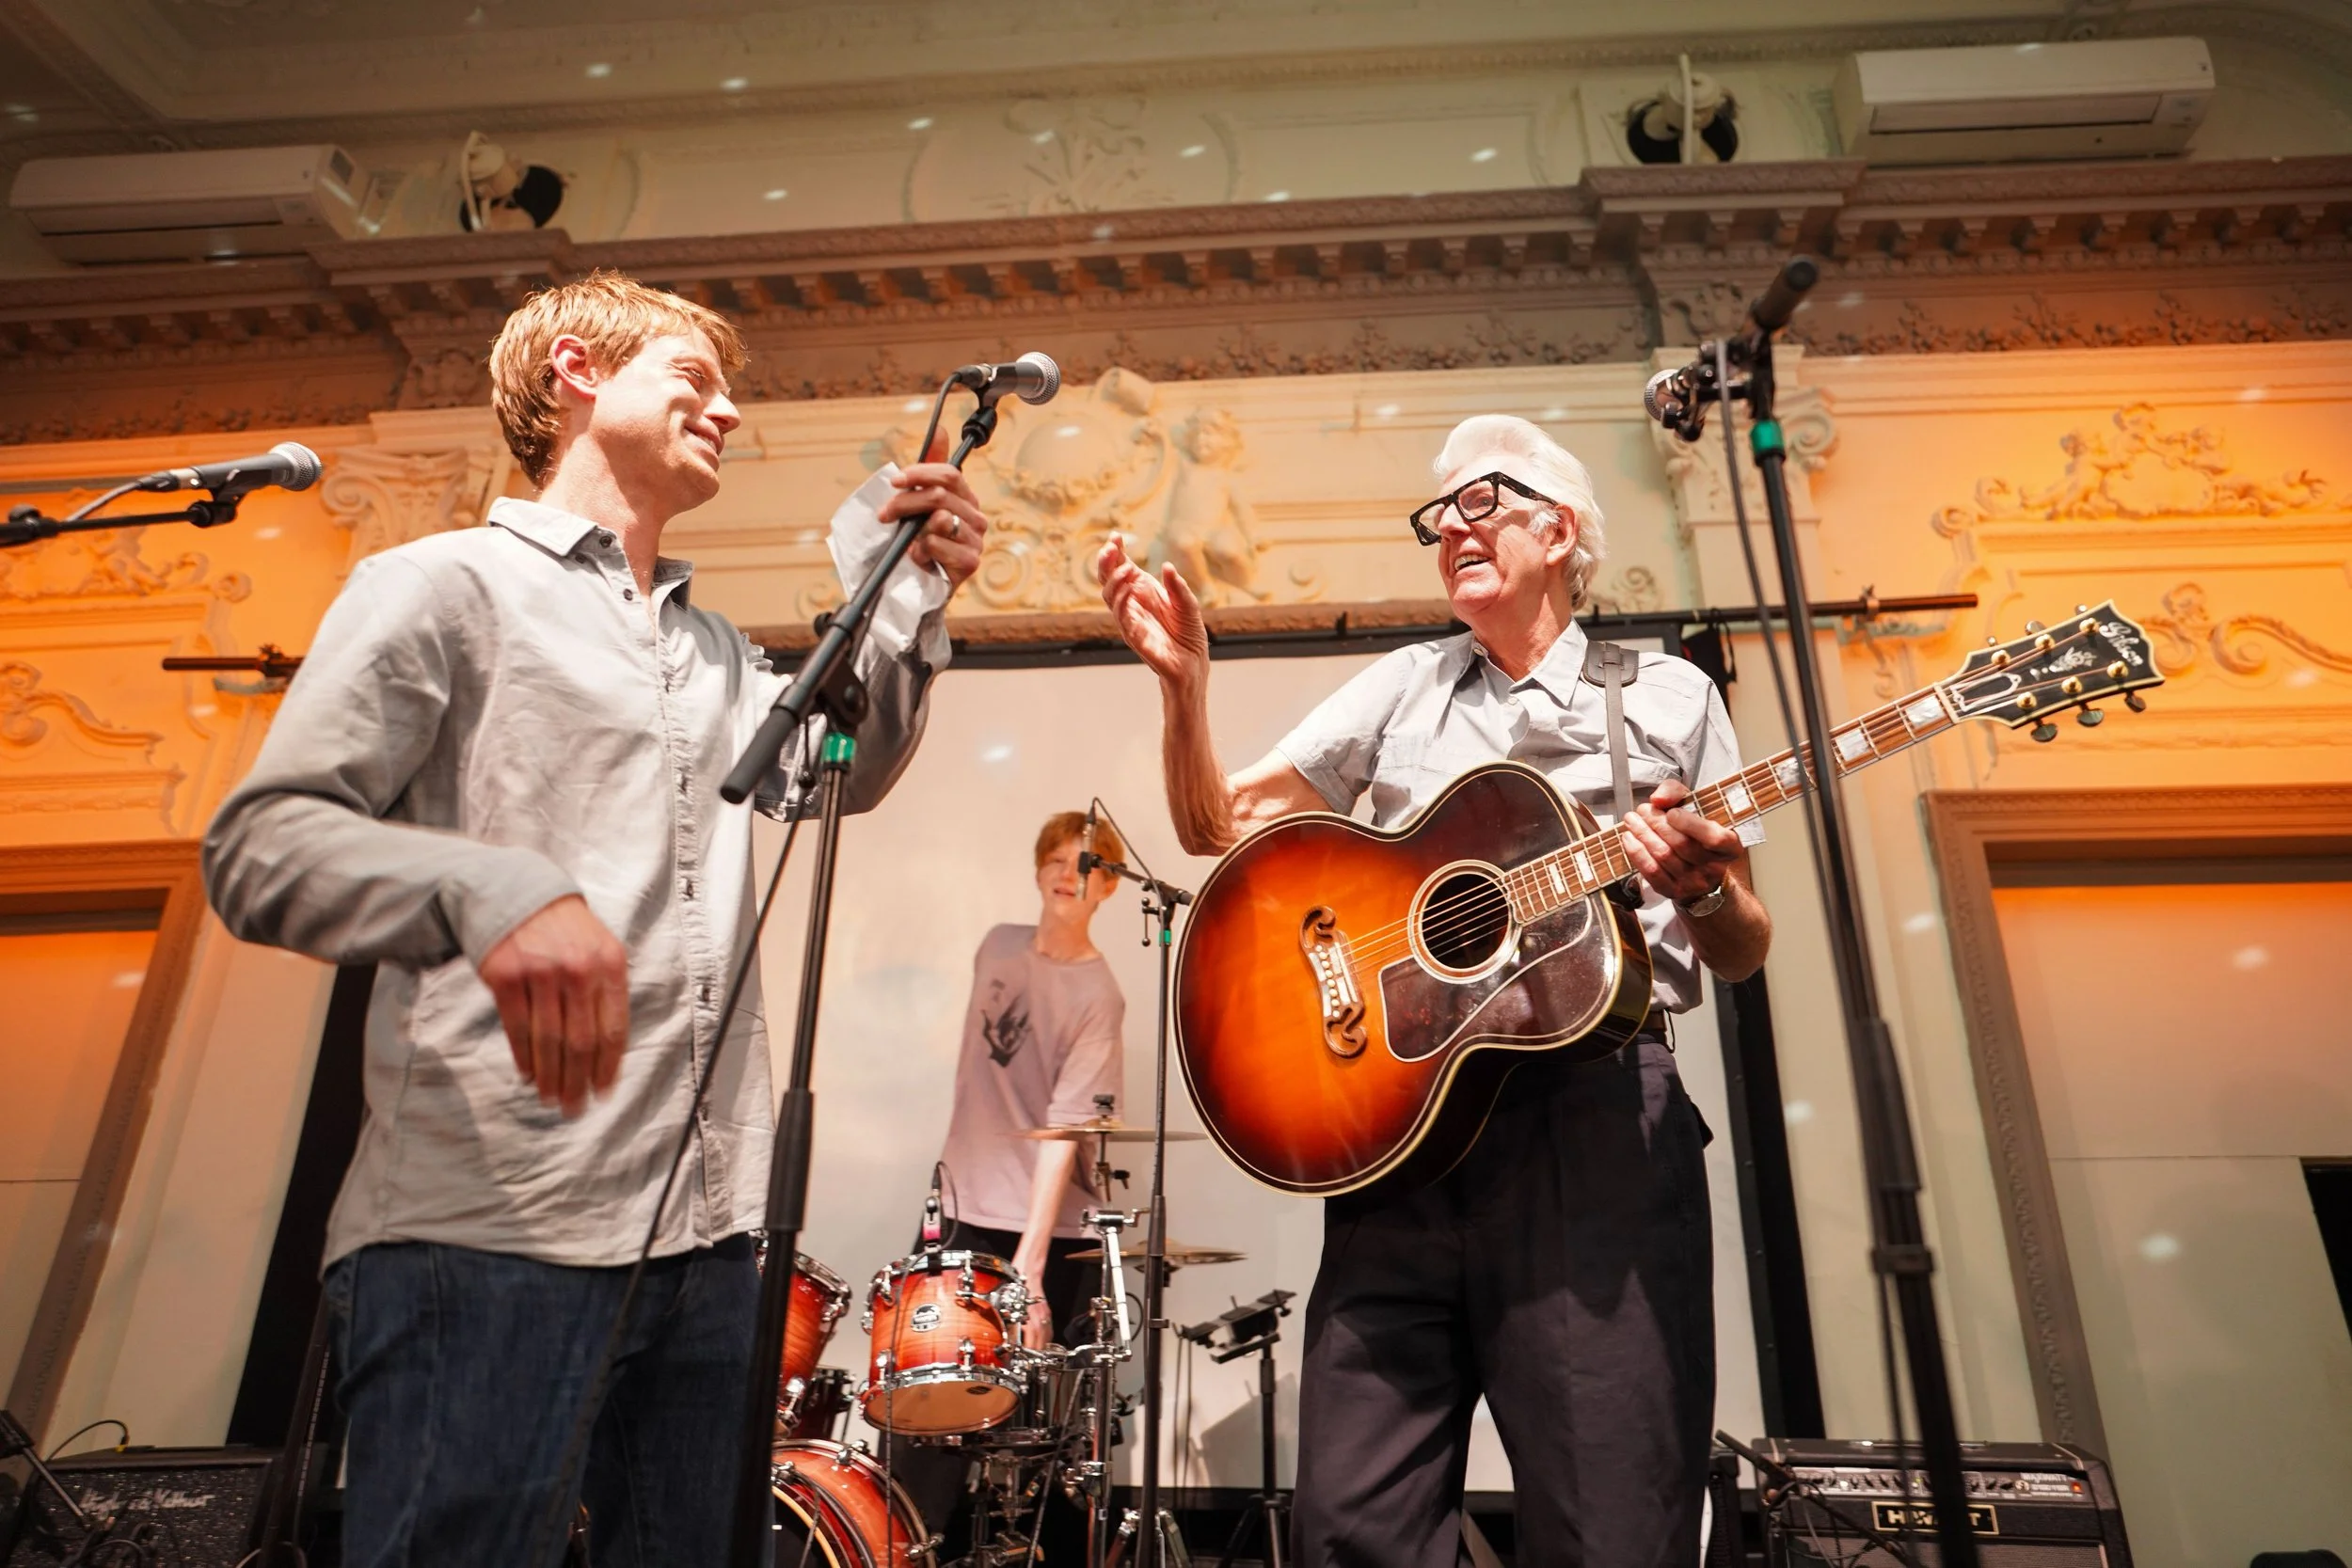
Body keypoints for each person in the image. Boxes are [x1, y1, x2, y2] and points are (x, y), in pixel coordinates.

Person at [202, 270, 990, 1568]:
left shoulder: (717, 652)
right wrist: (490, 886)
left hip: (708, 1240)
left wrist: (896, 591)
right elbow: (259, 848)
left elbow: (834, 773)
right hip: (488, 1227)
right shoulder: (438, 584)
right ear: (576, 371)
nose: (726, 410)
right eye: (693, 377)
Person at [1095, 414, 1772, 1568]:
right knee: (1351, 1525)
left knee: (1610, 1526)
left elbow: (1744, 945)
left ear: (1558, 531)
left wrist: (1702, 888)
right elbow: (1216, 825)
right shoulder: (1407, 684)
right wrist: (1184, 689)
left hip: (1594, 1127)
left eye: (1481, 501)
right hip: (1404, 1134)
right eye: (1437, 515)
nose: (1450, 527)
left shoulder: (1667, 696)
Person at [894, 810, 1128, 1562]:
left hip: (1048, 1231)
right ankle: (905, 1547)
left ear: (1110, 887)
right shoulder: (996, 945)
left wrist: (1029, 1266)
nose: (1068, 874)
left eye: (1088, 865)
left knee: (1044, 1438)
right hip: (963, 1205)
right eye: (1056, 858)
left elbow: (1063, 1132)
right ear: (1037, 869)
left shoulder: (1099, 994)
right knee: (923, 1401)